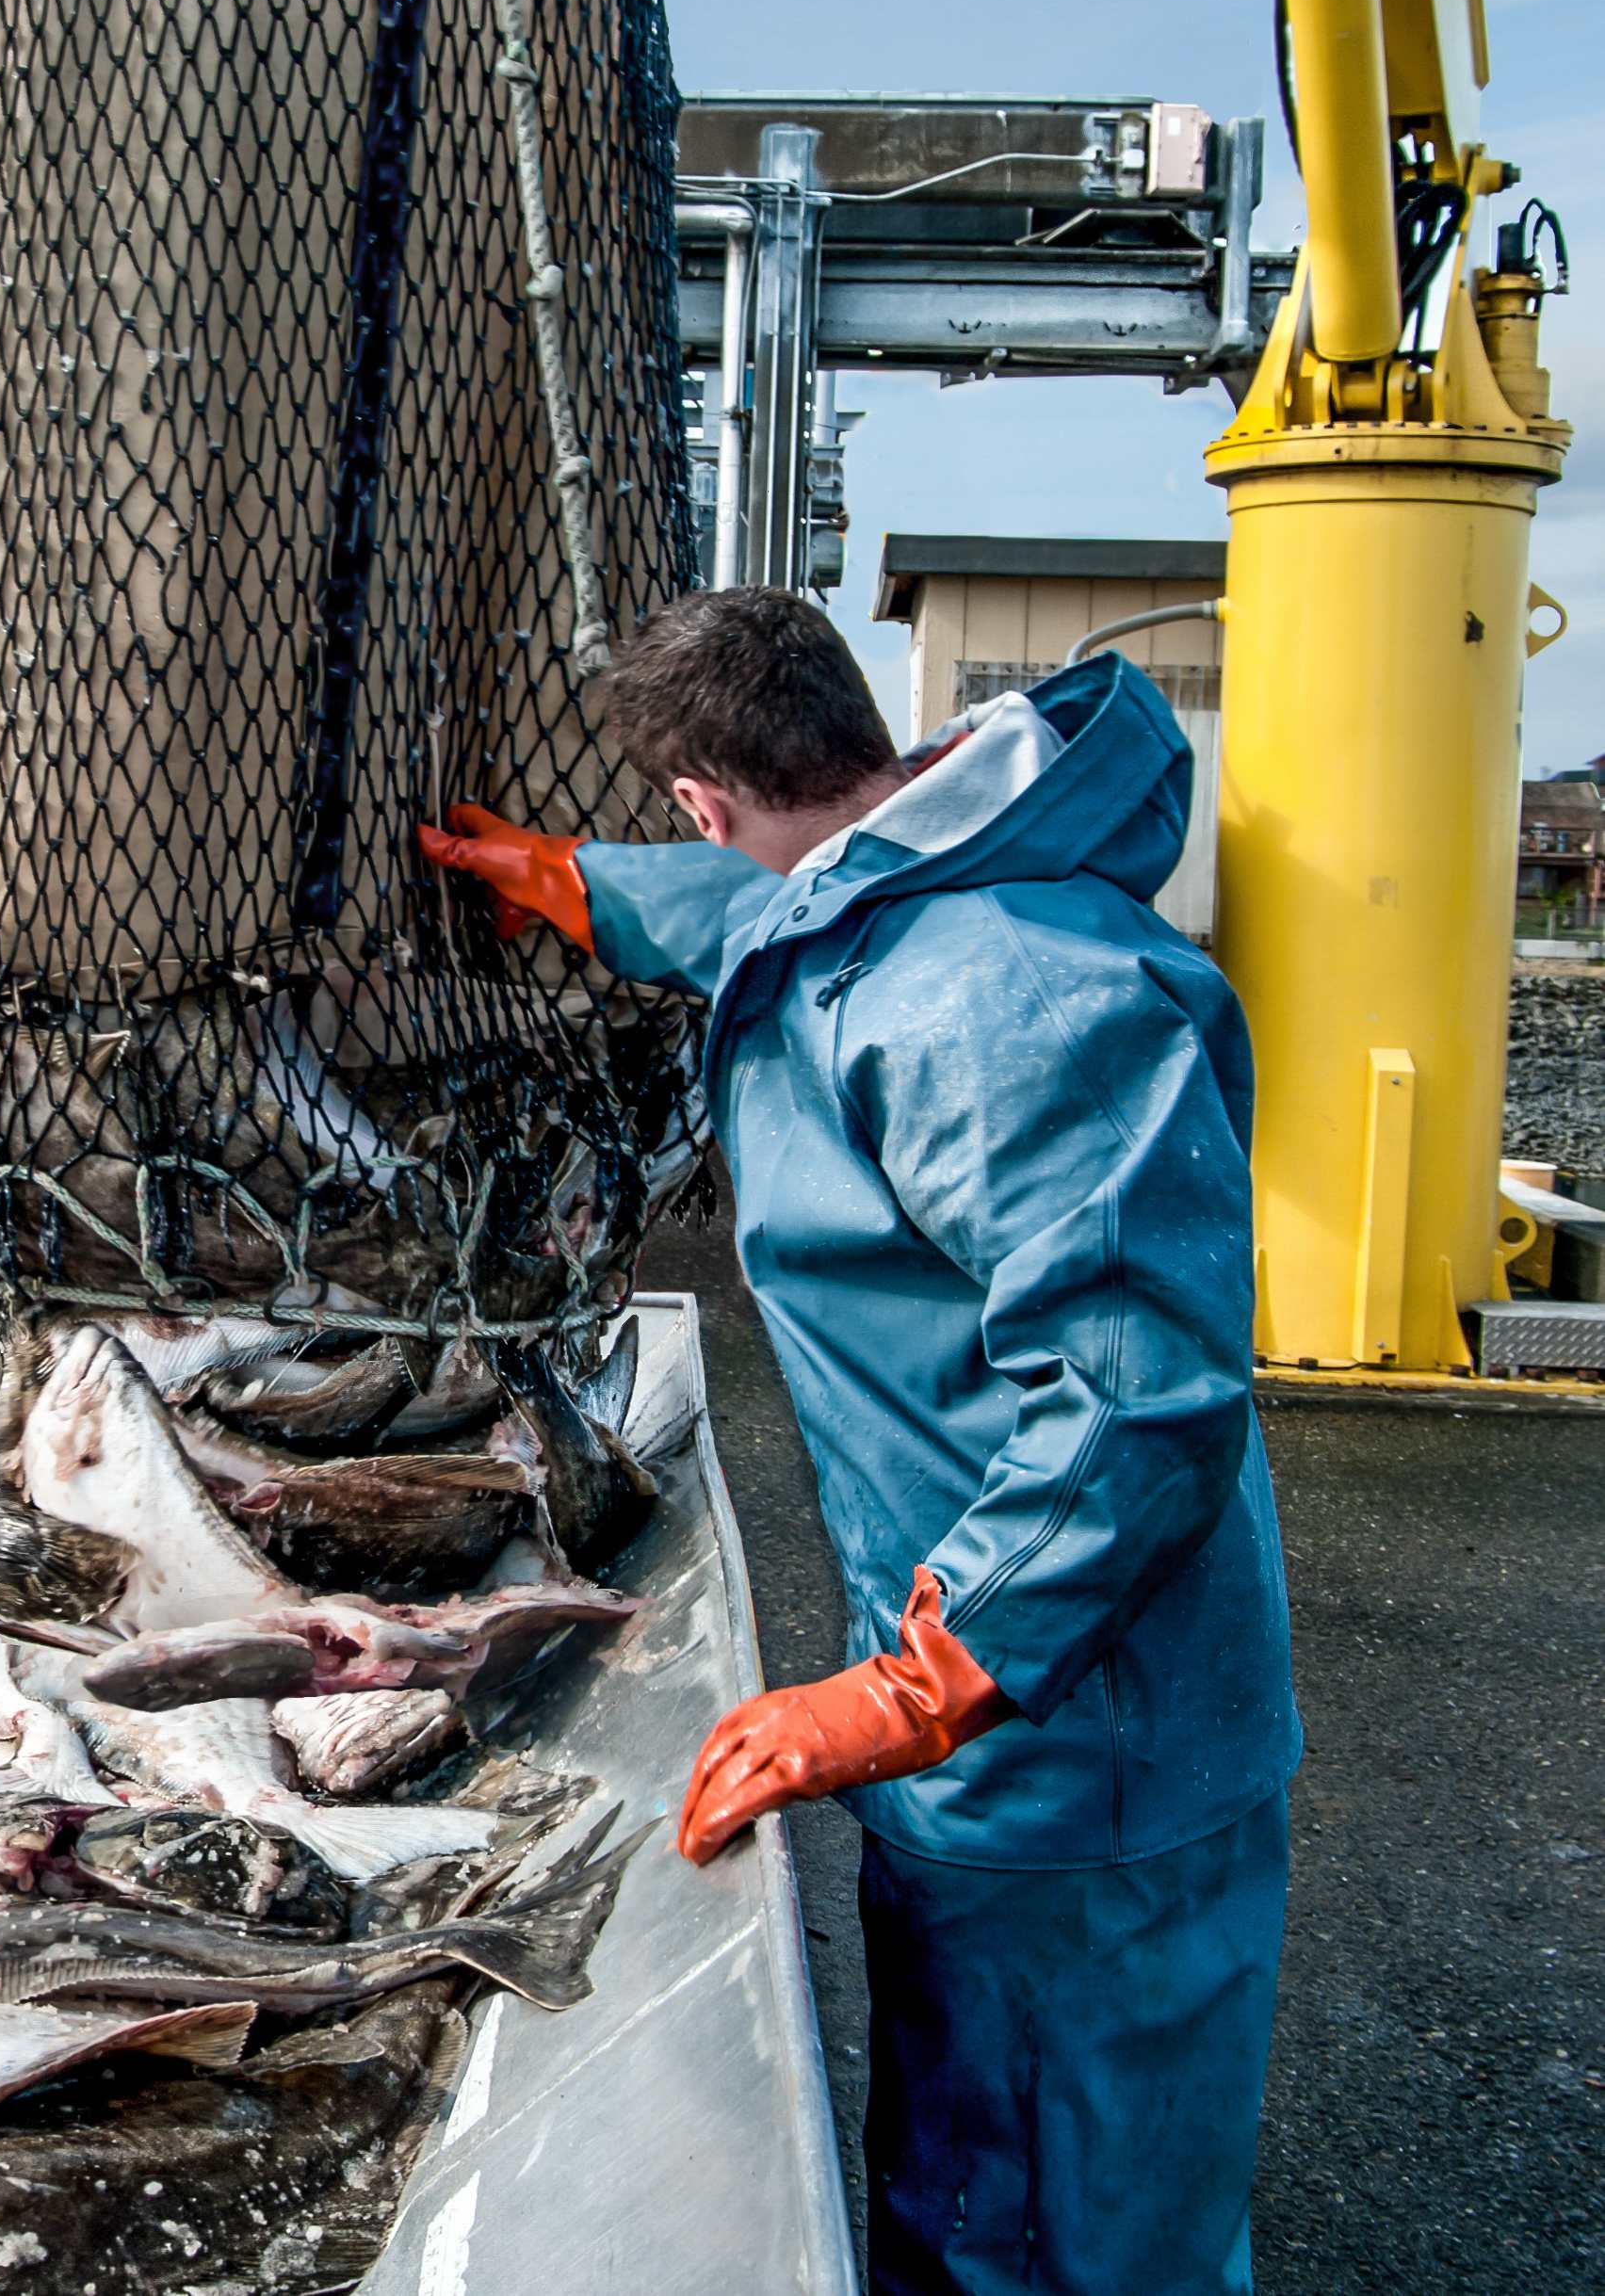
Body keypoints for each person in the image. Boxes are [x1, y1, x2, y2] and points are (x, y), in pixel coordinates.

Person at [422, 589, 1300, 2296]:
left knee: (1063, 2210)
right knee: (977, 2142)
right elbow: (771, 910)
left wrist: (920, 1684)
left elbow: (1138, 1401)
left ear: (703, 793)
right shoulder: (908, 851)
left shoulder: (1006, 1003)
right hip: (993, 1702)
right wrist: (582, 887)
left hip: (1073, 1728)